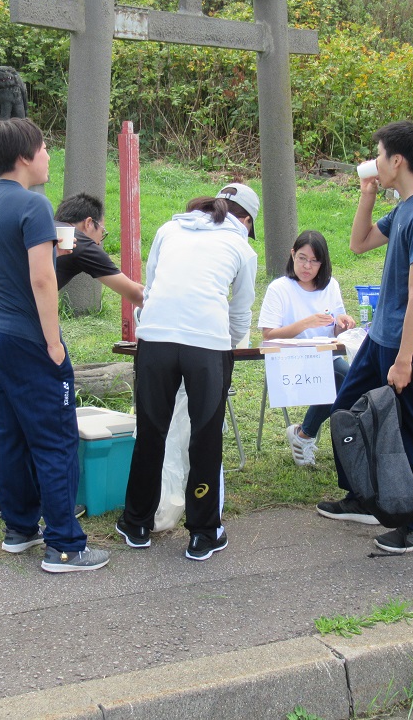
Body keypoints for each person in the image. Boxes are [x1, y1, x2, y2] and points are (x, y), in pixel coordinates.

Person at [0, 193, 143, 519]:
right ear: (89, 223)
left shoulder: (21, 225)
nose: (100, 240)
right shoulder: (76, 240)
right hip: (0, 311)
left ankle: (0, 493)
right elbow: (133, 292)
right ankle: (38, 498)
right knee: (22, 408)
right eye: (102, 233)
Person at [0, 117, 109, 573]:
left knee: (8, 430)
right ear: (26, 156)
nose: (49, 155)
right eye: (45, 148)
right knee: (55, 436)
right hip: (28, 338)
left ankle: (20, 529)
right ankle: (66, 546)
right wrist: (53, 342)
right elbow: (42, 278)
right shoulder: (33, 205)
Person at [315, 120, 413, 556]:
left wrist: (406, 359)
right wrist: (367, 196)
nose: (373, 162)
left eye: (378, 154)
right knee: (347, 411)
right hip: (380, 338)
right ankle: (365, 496)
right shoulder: (405, 208)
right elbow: (358, 243)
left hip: (402, 345)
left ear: (397, 160)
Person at [116, 183, 258, 561]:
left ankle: (136, 523)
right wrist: (222, 348)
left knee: (151, 431)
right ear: (244, 220)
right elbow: (241, 312)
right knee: (206, 437)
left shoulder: (168, 229)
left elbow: (152, 287)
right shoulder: (242, 247)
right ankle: (203, 532)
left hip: (156, 340)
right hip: (207, 345)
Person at [257, 229, 356, 466]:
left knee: (349, 377)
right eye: (302, 258)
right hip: (289, 358)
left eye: (314, 261)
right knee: (344, 378)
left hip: (325, 356)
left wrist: (343, 324)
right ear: (292, 255)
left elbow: (335, 328)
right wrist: (306, 322)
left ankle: (304, 434)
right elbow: (268, 335)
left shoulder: (330, 286)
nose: (307, 266)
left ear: (323, 263)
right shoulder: (279, 288)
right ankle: (306, 434)